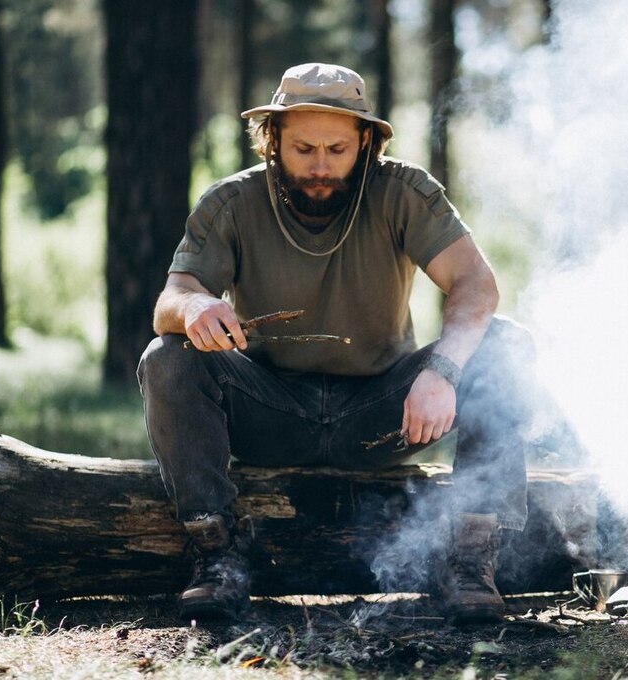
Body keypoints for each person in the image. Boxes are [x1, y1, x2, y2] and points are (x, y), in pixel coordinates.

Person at [137, 63, 537, 625]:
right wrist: (196, 306)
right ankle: (217, 557)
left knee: (505, 347)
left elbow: (477, 285)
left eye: (337, 149)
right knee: (167, 357)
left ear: (366, 142)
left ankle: (471, 562)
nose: (321, 167)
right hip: (271, 413)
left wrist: (442, 370)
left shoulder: (405, 192)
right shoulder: (231, 201)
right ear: (272, 140)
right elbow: (170, 299)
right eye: (303, 148)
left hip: (383, 416)